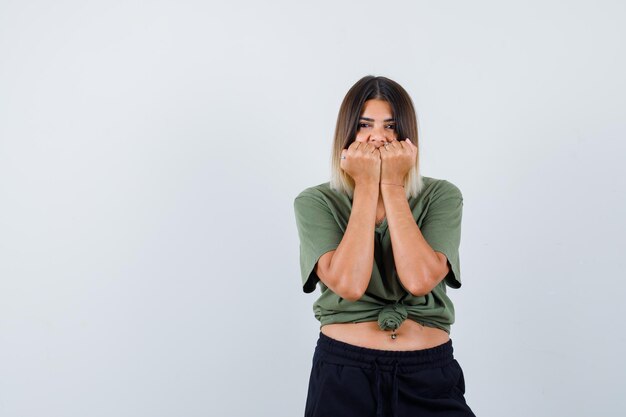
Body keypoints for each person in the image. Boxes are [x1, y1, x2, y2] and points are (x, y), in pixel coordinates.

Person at [293, 75, 477, 417]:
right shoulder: (316, 201)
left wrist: (390, 183)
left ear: (407, 136)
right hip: (345, 373)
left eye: (391, 126)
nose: (378, 136)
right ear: (346, 134)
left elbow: (420, 280)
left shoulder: (442, 196)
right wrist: (365, 185)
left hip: (427, 374)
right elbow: (349, 284)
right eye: (365, 124)